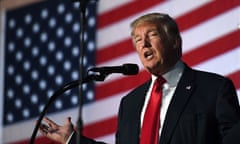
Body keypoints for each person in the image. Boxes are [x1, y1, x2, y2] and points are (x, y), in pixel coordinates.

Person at [39, 13, 240, 144]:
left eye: (152, 35)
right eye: (137, 39)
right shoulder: (130, 103)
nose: (143, 44)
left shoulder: (213, 89)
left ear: (175, 42)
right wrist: (73, 140)